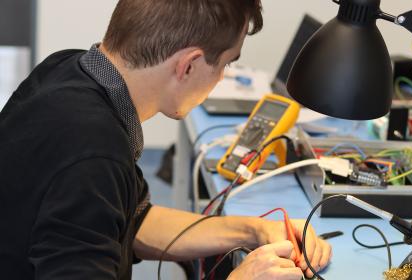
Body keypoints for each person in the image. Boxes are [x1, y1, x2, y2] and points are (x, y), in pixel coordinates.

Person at [0, 0, 332, 279]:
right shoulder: (94, 153)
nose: (222, 77)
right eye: (227, 64)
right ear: (189, 65)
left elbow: (136, 221)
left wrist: (254, 230)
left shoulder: (68, 68)